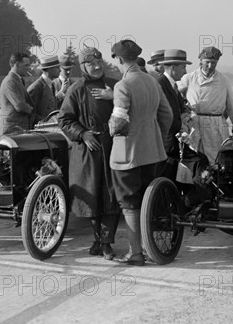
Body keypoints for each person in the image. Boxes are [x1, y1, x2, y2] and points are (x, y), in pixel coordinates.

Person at [109, 39, 173, 266]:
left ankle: (135, 253)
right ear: (136, 57)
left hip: (127, 155)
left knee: (130, 204)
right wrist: (157, 137)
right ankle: (148, 248)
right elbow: (167, 115)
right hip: (153, 153)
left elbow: (118, 122)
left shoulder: (122, 86)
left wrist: (109, 129)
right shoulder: (153, 81)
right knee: (147, 201)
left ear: (118, 59)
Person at [58, 47, 120, 260]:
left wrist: (115, 98)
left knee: (111, 195)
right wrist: (83, 134)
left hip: (113, 148)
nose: (96, 67)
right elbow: (64, 120)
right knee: (93, 198)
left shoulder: (114, 86)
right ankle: (99, 240)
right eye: (91, 64)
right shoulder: (75, 90)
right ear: (83, 66)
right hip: (87, 152)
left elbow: (130, 109)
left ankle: (106, 243)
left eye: (99, 63)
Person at [177, 46, 233, 165]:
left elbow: (232, 107)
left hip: (216, 127)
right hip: (195, 125)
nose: (210, 66)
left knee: (216, 160)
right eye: (208, 62)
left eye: (214, 63)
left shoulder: (223, 80)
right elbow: (175, 99)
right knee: (196, 160)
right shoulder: (189, 78)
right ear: (200, 61)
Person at [155, 49, 192, 177]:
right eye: (183, 67)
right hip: (165, 146)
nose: (185, 71)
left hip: (172, 144)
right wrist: (181, 127)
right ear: (172, 67)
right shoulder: (161, 85)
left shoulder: (172, 86)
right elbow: (163, 116)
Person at [0, 52, 34, 134]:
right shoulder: (10, 81)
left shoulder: (18, 80)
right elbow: (19, 105)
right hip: (10, 130)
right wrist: (31, 110)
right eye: (26, 65)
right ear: (17, 64)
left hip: (17, 129)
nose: (28, 68)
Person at [28, 55, 60, 122]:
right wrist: (46, 121)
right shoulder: (36, 87)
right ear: (49, 69)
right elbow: (30, 113)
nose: (60, 70)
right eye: (57, 67)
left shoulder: (51, 85)